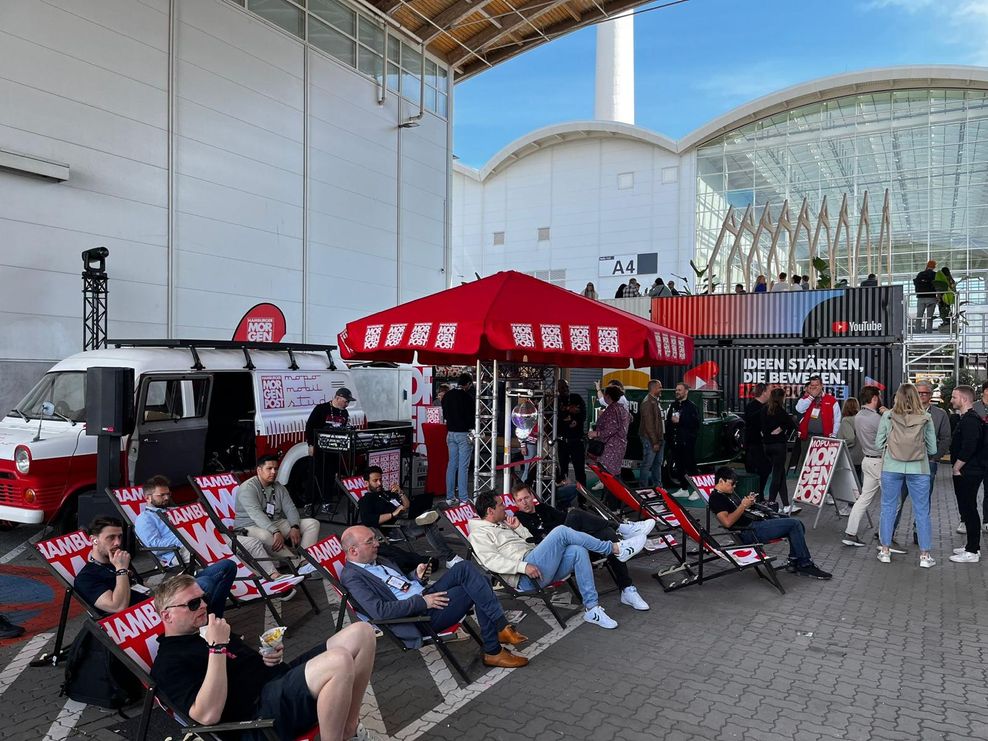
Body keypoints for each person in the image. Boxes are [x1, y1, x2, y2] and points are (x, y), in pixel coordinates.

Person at [151, 574, 377, 741]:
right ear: (167, 615)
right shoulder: (167, 663)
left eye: (203, 598)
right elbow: (207, 715)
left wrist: (268, 657)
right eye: (192, 604)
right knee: (339, 661)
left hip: (277, 685)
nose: (203, 606)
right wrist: (217, 647)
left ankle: (349, 730)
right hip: (257, 719)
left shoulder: (205, 631)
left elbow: (244, 666)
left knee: (362, 633)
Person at [340, 525, 528, 669]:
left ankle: (497, 636)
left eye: (375, 539)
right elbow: (380, 612)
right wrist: (422, 601)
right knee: (480, 584)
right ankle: (495, 642)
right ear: (353, 551)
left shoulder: (377, 559)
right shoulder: (353, 577)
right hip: (418, 617)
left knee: (465, 568)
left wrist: (417, 576)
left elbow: (400, 584)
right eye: (370, 541)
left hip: (426, 597)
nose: (377, 543)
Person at [468, 492, 645, 630]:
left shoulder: (503, 524)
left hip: (537, 563)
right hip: (525, 576)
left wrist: (518, 528)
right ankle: (616, 549)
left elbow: (529, 541)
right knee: (561, 531)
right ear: (490, 511)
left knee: (577, 550)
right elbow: (490, 561)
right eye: (500, 505)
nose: (505, 507)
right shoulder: (479, 534)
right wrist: (523, 566)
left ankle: (592, 609)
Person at [511, 483, 654, 610]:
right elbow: (533, 544)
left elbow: (565, 520)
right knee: (574, 514)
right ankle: (623, 528)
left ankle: (627, 589)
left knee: (606, 533)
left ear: (532, 496)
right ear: (516, 503)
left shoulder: (542, 508)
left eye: (526, 498)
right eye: (520, 500)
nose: (524, 503)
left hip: (572, 543)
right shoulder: (518, 520)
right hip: (554, 555)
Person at [75, 516, 236, 618]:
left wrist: (168, 586)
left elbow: (141, 588)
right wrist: (121, 570)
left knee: (227, 566)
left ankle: (214, 622)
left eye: (119, 537)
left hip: (156, 600)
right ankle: (210, 628)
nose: (117, 543)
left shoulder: (118, 557)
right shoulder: (87, 577)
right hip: (144, 616)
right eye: (111, 538)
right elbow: (117, 607)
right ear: (93, 540)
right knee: (205, 583)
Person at [707, 467, 831, 579]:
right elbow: (727, 522)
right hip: (748, 531)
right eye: (732, 483)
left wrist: (748, 503)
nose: (734, 486)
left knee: (797, 524)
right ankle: (804, 564)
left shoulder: (727, 494)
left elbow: (739, 510)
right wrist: (742, 506)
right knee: (795, 525)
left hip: (755, 525)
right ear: (721, 481)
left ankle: (794, 561)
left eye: (735, 484)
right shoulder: (716, 498)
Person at [133, 475, 242, 600]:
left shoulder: (176, 510)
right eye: (161, 495)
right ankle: (226, 586)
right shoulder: (144, 518)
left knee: (244, 544)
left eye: (168, 494)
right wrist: (186, 535)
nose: (167, 498)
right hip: (179, 550)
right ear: (147, 497)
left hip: (203, 540)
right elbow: (154, 547)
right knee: (219, 556)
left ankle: (251, 580)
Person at [875, 384, 937, 568]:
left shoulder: (888, 416)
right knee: (922, 511)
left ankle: (885, 551)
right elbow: (933, 448)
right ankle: (925, 556)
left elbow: (879, 444)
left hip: (891, 467)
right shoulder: (926, 418)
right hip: (918, 469)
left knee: (888, 508)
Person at [356, 465, 462, 569]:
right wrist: (393, 514)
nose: (379, 483)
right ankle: (450, 558)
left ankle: (428, 514)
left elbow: (407, 505)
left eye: (380, 480)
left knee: (440, 506)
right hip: (395, 527)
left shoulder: (386, 494)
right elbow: (368, 520)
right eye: (375, 481)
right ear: (366, 483)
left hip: (407, 518)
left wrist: (400, 492)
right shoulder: (365, 501)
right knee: (428, 524)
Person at [235, 455, 320, 567]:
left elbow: (290, 508)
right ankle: (295, 563)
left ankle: (305, 561)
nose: (273, 472)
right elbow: (256, 514)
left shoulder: (279, 487)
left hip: (274, 522)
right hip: (250, 526)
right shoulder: (248, 488)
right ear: (259, 470)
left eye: (276, 468)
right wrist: (275, 531)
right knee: (265, 535)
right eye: (269, 468)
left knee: (313, 524)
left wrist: (295, 526)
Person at [893, 381, 950, 544]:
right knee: (898, 498)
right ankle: (890, 529)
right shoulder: (903, 411)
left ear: (931, 395)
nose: (922, 396)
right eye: (918, 393)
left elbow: (946, 438)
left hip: (927, 463)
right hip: (904, 462)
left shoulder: (940, 414)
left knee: (923, 501)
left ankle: (919, 532)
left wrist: (934, 457)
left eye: (925, 393)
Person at [842, 386, 886, 547]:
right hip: (880, 461)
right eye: (879, 396)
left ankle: (851, 533)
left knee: (863, 499)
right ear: (874, 398)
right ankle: (885, 538)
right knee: (890, 502)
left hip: (867, 460)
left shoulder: (859, 416)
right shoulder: (877, 418)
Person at [948, 385, 985, 563]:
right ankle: (971, 546)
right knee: (967, 508)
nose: (951, 400)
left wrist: (957, 466)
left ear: (963, 399)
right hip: (968, 470)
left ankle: (972, 551)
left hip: (968, 471)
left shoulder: (970, 420)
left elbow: (970, 445)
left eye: (954, 397)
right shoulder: (966, 419)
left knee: (969, 508)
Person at [305, 387, 355, 515]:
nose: (347, 404)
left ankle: (326, 504)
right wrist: (311, 444)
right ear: (337, 398)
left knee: (330, 476)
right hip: (319, 448)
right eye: (345, 401)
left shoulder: (344, 413)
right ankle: (309, 504)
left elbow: (345, 428)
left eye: (348, 402)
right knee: (313, 475)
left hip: (334, 450)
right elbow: (310, 427)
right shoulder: (321, 409)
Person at [760, 388, 799, 514]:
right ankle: (771, 503)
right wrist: (781, 428)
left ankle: (786, 505)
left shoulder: (764, 409)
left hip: (767, 446)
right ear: (781, 398)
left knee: (780, 474)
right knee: (777, 475)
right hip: (779, 446)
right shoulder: (781, 411)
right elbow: (793, 424)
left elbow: (760, 426)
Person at [793, 375, 841, 474]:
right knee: (807, 464)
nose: (814, 388)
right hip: (807, 437)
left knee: (823, 465)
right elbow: (799, 409)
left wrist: (834, 435)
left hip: (825, 437)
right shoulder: (806, 399)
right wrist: (811, 397)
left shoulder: (831, 400)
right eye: (812, 385)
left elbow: (837, 419)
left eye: (817, 385)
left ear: (822, 385)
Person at [441, 372, 475, 505]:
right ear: (468, 384)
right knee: (463, 467)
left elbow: (445, 414)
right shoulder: (468, 397)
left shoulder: (447, 395)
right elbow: (472, 418)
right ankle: (463, 499)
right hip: (463, 434)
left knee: (451, 465)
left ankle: (449, 497)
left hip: (450, 433)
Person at [589, 386, 631, 475]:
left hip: (610, 448)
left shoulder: (611, 410)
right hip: (621, 445)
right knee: (614, 473)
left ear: (608, 396)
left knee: (608, 475)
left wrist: (595, 433)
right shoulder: (622, 409)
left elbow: (611, 429)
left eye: (604, 394)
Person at [556, 379, 588, 488]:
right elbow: (556, 417)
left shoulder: (576, 397)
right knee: (562, 471)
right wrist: (569, 409)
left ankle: (582, 500)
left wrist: (576, 420)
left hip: (576, 440)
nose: (565, 390)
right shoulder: (556, 400)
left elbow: (582, 413)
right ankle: (563, 498)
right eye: (562, 388)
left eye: (566, 387)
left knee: (580, 471)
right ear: (557, 390)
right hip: (562, 441)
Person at [666, 382, 700, 479]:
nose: (677, 392)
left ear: (686, 392)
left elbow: (695, 425)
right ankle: (683, 488)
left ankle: (695, 491)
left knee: (691, 465)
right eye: (676, 390)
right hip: (675, 442)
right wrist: (669, 439)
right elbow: (669, 422)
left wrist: (680, 420)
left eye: (679, 390)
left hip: (687, 443)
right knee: (679, 465)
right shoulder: (673, 405)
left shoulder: (692, 407)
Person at [743, 383, 771, 497]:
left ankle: (759, 495)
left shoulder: (765, 407)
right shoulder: (752, 406)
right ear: (763, 392)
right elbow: (752, 421)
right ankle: (755, 496)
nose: (771, 393)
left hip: (763, 445)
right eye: (769, 391)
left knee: (766, 469)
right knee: (760, 470)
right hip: (754, 446)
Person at [638, 380, 664, 488]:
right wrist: (655, 442)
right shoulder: (648, 402)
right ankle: (643, 489)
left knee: (657, 464)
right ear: (653, 388)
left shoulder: (654, 401)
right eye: (660, 387)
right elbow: (649, 425)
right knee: (647, 464)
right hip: (651, 439)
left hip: (658, 438)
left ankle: (657, 487)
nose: (661, 389)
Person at [836, 397, 863, 483]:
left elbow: (850, 438)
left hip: (850, 455)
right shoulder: (860, 418)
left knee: (850, 482)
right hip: (861, 455)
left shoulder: (846, 420)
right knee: (858, 479)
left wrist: (841, 445)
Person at [914, 260, 938, 332]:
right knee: (929, 317)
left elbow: (916, 283)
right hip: (931, 298)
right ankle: (929, 331)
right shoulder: (935, 275)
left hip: (921, 298)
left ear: (927, 265)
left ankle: (917, 331)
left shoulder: (920, 274)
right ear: (934, 267)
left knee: (919, 316)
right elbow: (938, 286)